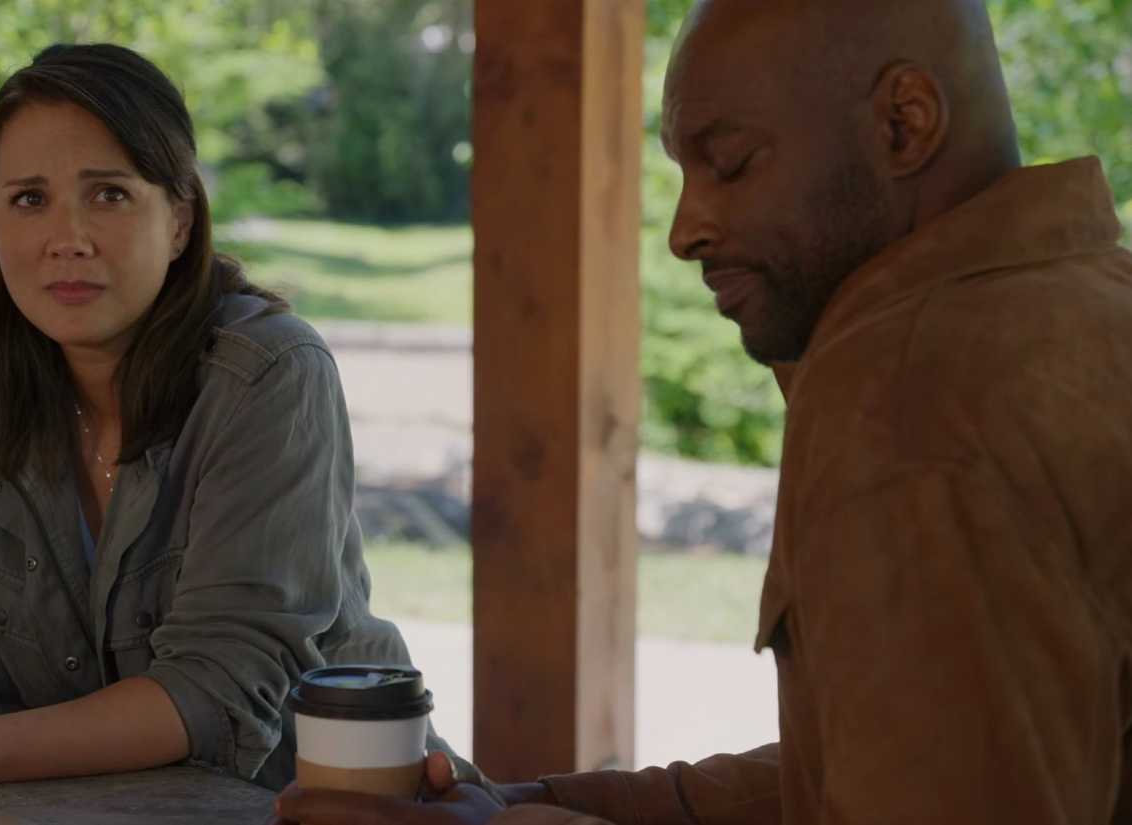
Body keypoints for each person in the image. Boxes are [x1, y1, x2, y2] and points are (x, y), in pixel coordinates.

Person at [276, 0, 1132, 822]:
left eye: (731, 162)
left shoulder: (914, 389)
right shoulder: (1086, 302)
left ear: (904, 123)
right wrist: (535, 803)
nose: (686, 229)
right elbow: (886, 764)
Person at [0, 42, 458, 793]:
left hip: (330, 802)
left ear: (180, 222)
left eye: (109, 194)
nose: (68, 238)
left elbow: (216, 688)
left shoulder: (267, 374)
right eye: (29, 199)